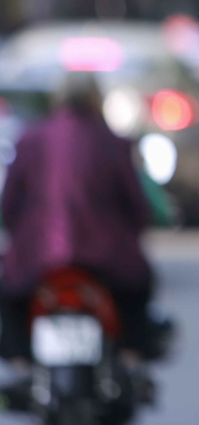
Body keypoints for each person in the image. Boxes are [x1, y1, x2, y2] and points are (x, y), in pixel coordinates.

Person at [0, 72, 153, 374]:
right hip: (106, 256)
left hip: (37, 255)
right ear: (96, 99)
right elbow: (137, 205)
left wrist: (21, 238)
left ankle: (19, 363)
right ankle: (131, 357)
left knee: (11, 295)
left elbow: (9, 204)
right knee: (138, 289)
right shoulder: (112, 142)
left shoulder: (30, 138)